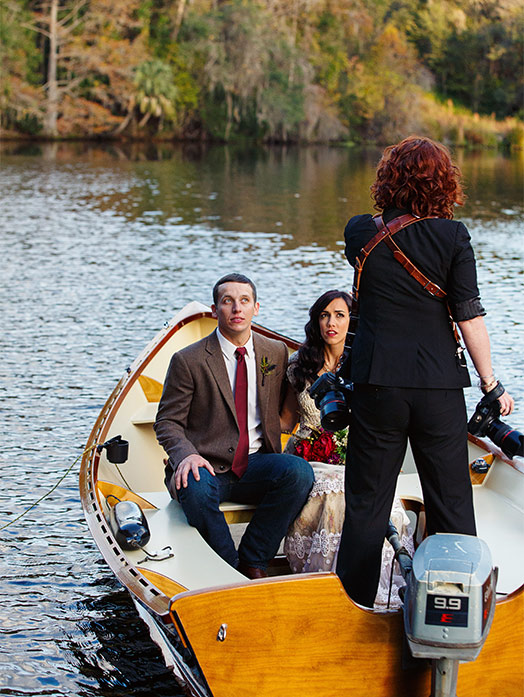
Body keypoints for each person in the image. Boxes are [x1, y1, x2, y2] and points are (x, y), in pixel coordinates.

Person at [336, 135, 514, 608]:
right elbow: (469, 315)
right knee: (450, 501)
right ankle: (454, 605)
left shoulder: (360, 232)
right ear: (444, 183)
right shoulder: (453, 237)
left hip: (377, 385)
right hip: (437, 387)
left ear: (388, 179)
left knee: (367, 503)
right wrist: (491, 384)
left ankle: (352, 609)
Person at [154, 273, 314, 579]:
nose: (237, 308)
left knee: (298, 473)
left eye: (244, 301)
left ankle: (254, 560)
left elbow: (287, 408)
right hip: (206, 464)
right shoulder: (189, 360)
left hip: (256, 463)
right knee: (194, 486)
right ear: (215, 310)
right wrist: (186, 455)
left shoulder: (275, 352)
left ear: (256, 308)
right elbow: (167, 421)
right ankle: (229, 567)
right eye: (228, 301)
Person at [281, 290, 414, 608]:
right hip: (309, 457)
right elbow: (286, 420)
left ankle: (371, 581)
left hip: (358, 454)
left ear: (353, 322)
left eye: (340, 315)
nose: (332, 322)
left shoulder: (368, 363)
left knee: (379, 498)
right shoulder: (299, 366)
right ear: (316, 322)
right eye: (324, 315)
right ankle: (328, 581)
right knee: (336, 492)